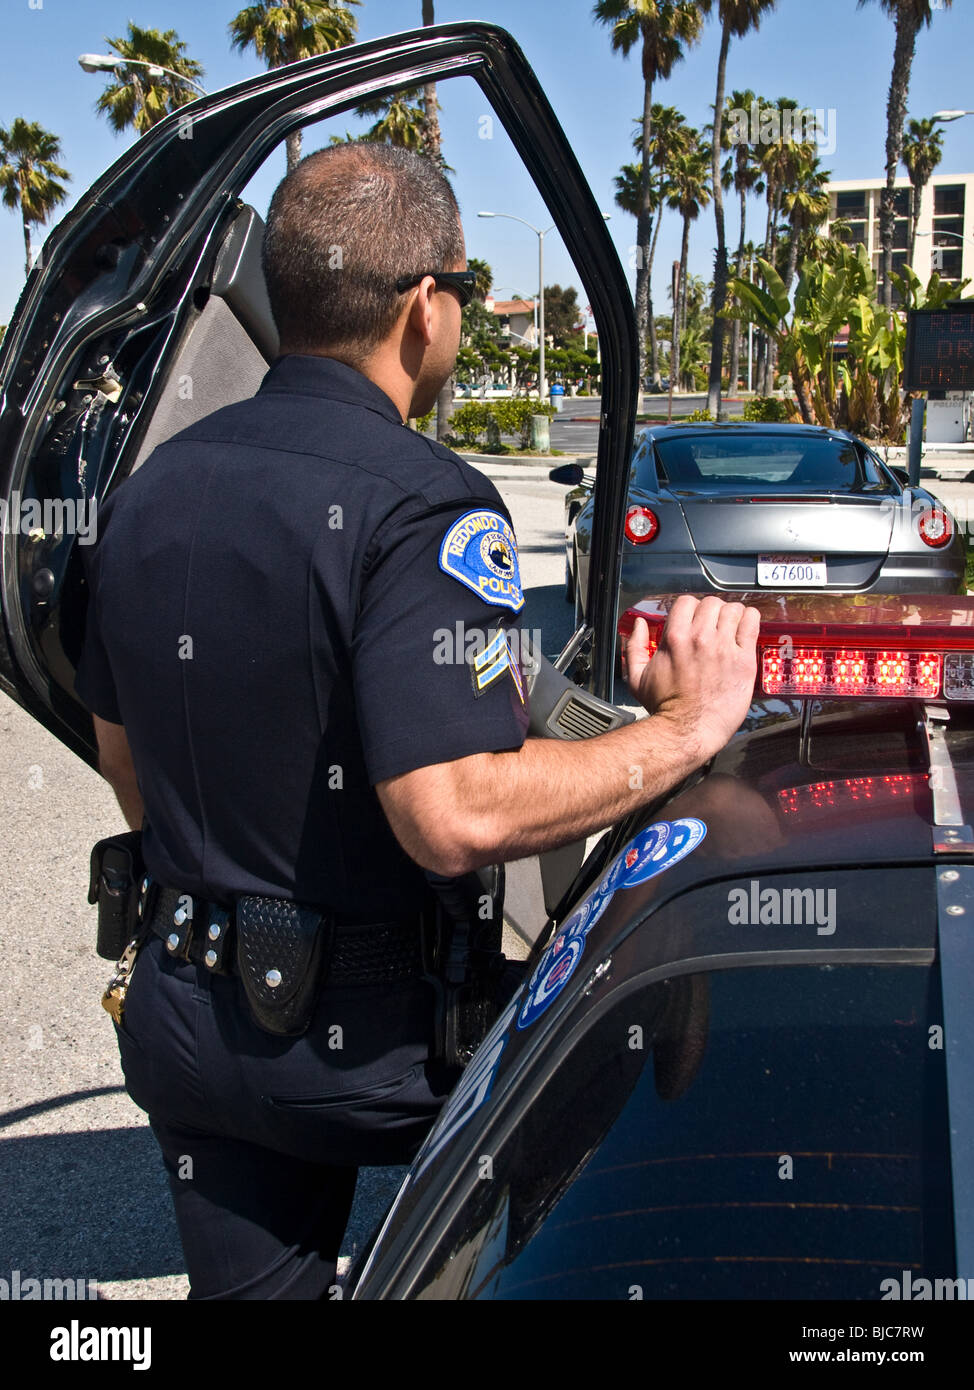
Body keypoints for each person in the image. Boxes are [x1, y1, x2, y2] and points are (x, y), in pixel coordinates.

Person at [75, 140, 759, 1300]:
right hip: (373, 1051)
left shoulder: (149, 491)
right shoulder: (426, 501)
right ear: (423, 307)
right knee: (657, 1094)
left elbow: (120, 744)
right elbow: (451, 809)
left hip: (186, 1030)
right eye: (460, 284)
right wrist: (683, 733)